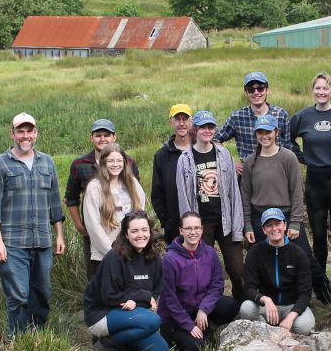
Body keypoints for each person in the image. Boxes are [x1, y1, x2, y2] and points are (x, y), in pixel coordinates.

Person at [0, 112, 66, 337]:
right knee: (18, 295)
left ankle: (37, 339)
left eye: (29, 131)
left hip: (42, 241)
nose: (25, 136)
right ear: (12, 134)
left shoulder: (47, 162)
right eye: (20, 131)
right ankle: (18, 342)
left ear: (36, 133)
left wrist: (59, 235)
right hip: (12, 243)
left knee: (41, 294)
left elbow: (54, 203)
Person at [240, 114, 331, 303]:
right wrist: (248, 225)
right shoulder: (250, 161)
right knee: (260, 257)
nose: (264, 135)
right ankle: (260, 300)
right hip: (259, 217)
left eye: (268, 131)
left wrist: (296, 222)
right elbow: (245, 196)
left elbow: (297, 192)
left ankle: (328, 297)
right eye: (260, 132)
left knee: (305, 256)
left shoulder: (288, 157)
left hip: (287, 215)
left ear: (277, 132)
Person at [288, 72, 331, 278]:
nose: (321, 92)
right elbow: (287, 140)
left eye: (326, 88)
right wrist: (303, 157)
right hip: (314, 182)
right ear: (313, 91)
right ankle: (320, 280)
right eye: (318, 88)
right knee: (317, 234)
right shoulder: (302, 116)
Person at [175, 110, 246, 296]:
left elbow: (234, 191)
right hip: (201, 223)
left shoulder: (224, 155)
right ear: (195, 129)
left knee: (238, 270)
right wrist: (189, 227)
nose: (207, 130)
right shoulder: (185, 159)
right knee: (202, 273)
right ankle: (208, 310)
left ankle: (241, 306)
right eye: (203, 127)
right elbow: (183, 196)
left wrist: (238, 224)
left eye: (211, 127)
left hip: (226, 222)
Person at [83, 212, 169, 351]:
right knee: (153, 321)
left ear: (150, 231)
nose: (140, 235)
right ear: (126, 234)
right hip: (102, 313)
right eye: (134, 231)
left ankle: (123, 339)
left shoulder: (153, 258)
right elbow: (108, 296)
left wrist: (136, 301)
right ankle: (108, 342)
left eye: (144, 230)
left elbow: (156, 290)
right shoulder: (114, 257)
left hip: (133, 312)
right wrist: (142, 296)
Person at [158, 213, 241, 351]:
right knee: (198, 348)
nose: (193, 232)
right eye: (188, 228)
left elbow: (217, 285)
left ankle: (206, 326)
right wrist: (188, 325)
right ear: (181, 231)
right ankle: (177, 336)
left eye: (197, 228)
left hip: (198, 309)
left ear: (202, 230)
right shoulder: (170, 259)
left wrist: (204, 309)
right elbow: (170, 300)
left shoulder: (209, 253)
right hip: (176, 316)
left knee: (230, 305)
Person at [66, 119, 140, 277]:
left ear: (114, 137)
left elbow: (136, 199)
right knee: (97, 276)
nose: (102, 139)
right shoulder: (80, 165)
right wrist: (80, 226)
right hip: (95, 233)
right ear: (91, 137)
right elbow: (71, 198)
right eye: (98, 135)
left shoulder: (129, 163)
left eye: (107, 135)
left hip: (127, 234)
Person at [239, 208, 316, 334]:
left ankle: (284, 327)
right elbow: (248, 288)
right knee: (246, 308)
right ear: (263, 230)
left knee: (304, 327)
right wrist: (265, 299)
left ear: (285, 225)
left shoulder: (298, 253)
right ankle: (269, 332)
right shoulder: (255, 252)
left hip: (292, 306)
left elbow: (306, 293)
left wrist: (291, 317)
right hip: (265, 307)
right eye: (269, 225)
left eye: (278, 224)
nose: (274, 228)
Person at [82, 142, 146, 277]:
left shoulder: (133, 184)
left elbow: (141, 216)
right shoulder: (95, 187)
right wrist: (112, 253)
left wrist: (137, 247)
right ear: (103, 162)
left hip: (132, 253)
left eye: (119, 160)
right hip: (105, 256)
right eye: (111, 161)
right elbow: (93, 225)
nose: (115, 164)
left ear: (124, 162)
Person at [214, 71, 298, 168]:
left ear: (267, 90)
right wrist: (230, 162)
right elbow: (215, 139)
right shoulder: (237, 117)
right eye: (251, 90)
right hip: (249, 170)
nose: (256, 92)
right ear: (246, 92)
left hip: (277, 170)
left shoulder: (281, 114)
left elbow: (288, 146)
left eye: (260, 88)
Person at [151, 104, 194, 243]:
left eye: (185, 119)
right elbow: (157, 193)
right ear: (171, 122)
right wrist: (167, 222)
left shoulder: (201, 150)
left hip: (202, 224)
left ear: (191, 122)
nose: (181, 123)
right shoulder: (161, 156)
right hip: (175, 225)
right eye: (177, 119)